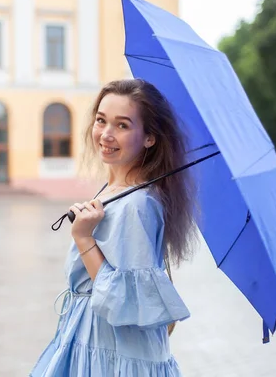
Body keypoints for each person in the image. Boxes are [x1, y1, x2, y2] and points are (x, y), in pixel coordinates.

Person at [30, 79, 198, 376]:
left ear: (149, 137)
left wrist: (83, 237)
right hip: (91, 337)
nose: (106, 134)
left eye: (122, 125)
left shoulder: (138, 204)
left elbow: (123, 300)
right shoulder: (114, 189)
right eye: (101, 120)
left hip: (112, 350)